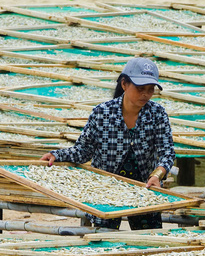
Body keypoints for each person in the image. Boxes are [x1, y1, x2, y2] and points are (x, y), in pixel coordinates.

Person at [40, 57, 176, 230]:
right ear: (124, 84)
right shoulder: (102, 113)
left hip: (145, 190)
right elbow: (84, 151)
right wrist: (57, 155)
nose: (145, 94)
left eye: (150, 90)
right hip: (104, 190)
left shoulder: (157, 114)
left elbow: (167, 152)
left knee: (148, 240)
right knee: (103, 239)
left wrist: (157, 175)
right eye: (140, 88)